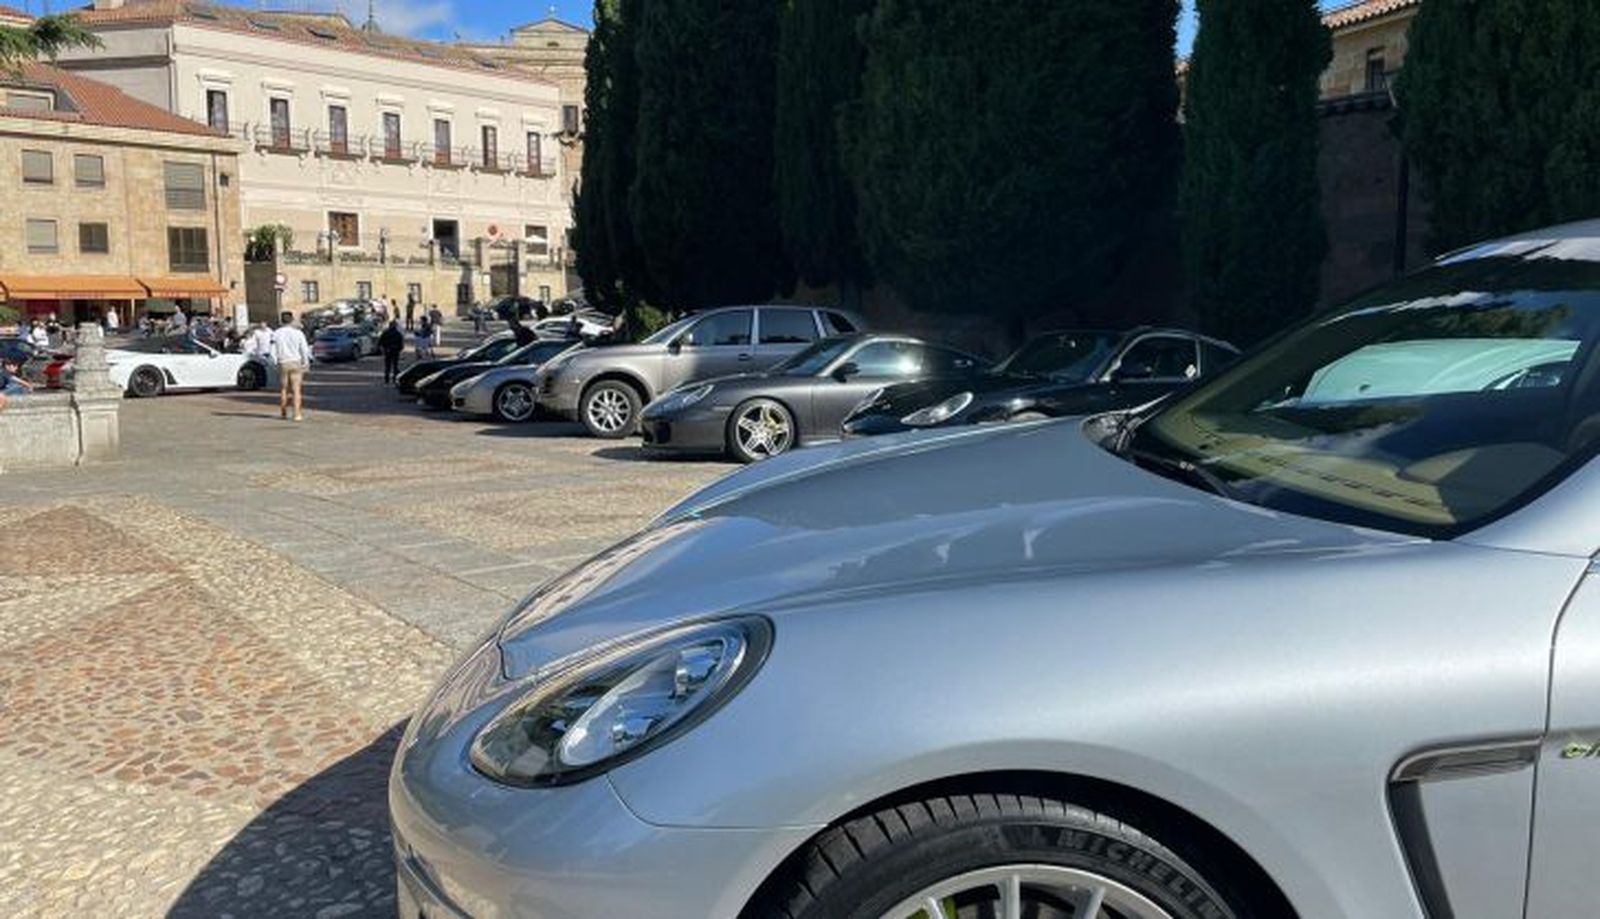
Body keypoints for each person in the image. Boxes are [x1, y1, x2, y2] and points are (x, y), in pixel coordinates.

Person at [269, 311, 313, 422]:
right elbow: (304, 349)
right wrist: (306, 362)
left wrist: (275, 362)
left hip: (283, 361)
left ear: (281, 321)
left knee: (284, 389)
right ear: (292, 320)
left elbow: (272, 351)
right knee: (296, 389)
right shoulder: (298, 333)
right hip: (296, 361)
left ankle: (283, 412)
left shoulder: (276, 333)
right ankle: (297, 414)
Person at [379, 319, 405, 385]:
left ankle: (387, 379)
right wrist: (398, 349)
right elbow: (401, 345)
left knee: (387, 366)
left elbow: (380, 342)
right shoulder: (398, 334)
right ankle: (394, 379)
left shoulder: (385, 333)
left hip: (388, 351)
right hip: (395, 351)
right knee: (395, 366)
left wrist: (384, 349)